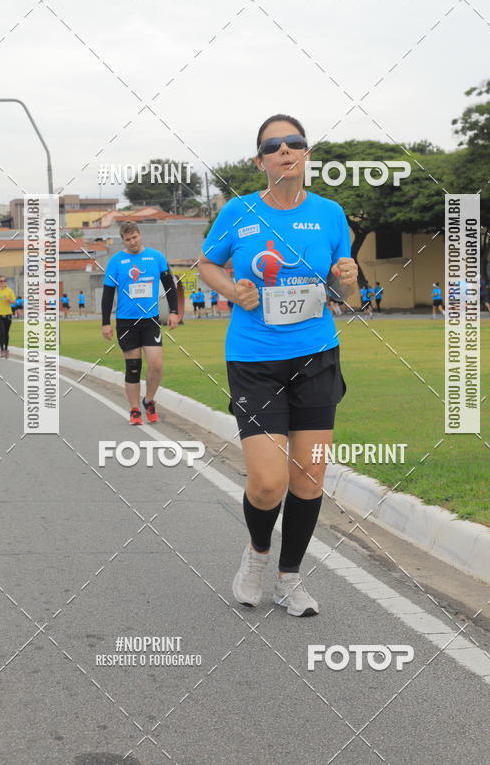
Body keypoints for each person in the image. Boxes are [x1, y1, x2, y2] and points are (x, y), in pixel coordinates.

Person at [199, 113, 357, 617]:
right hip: (255, 359)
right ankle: (257, 555)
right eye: (274, 146)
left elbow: (344, 291)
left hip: (315, 355)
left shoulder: (331, 213)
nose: (286, 151)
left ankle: (290, 578)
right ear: (260, 160)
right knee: (267, 482)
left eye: (295, 143)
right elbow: (205, 264)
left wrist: (349, 278)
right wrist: (231, 290)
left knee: (309, 478)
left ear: (306, 153)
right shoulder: (238, 211)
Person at [101, 221, 180, 425]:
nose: (132, 242)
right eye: (128, 240)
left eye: (134, 237)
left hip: (150, 319)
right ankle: (135, 409)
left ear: (140, 235)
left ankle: (149, 400)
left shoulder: (156, 257)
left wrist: (173, 311)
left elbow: (169, 286)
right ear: (123, 240)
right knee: (133, 366)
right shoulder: (116, 261)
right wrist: (105, 322)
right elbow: (108, 294)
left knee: (156, 364)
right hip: (126, 322)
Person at [0, 276, 16, 358]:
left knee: (6, 333)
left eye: (4, 281)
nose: (3, 282)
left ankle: (6, 348)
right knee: (2, 332)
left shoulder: (9, 291)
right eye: (1, 281)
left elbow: (14, 302)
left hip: (8, 314)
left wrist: (8, 300)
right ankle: (2, 350)